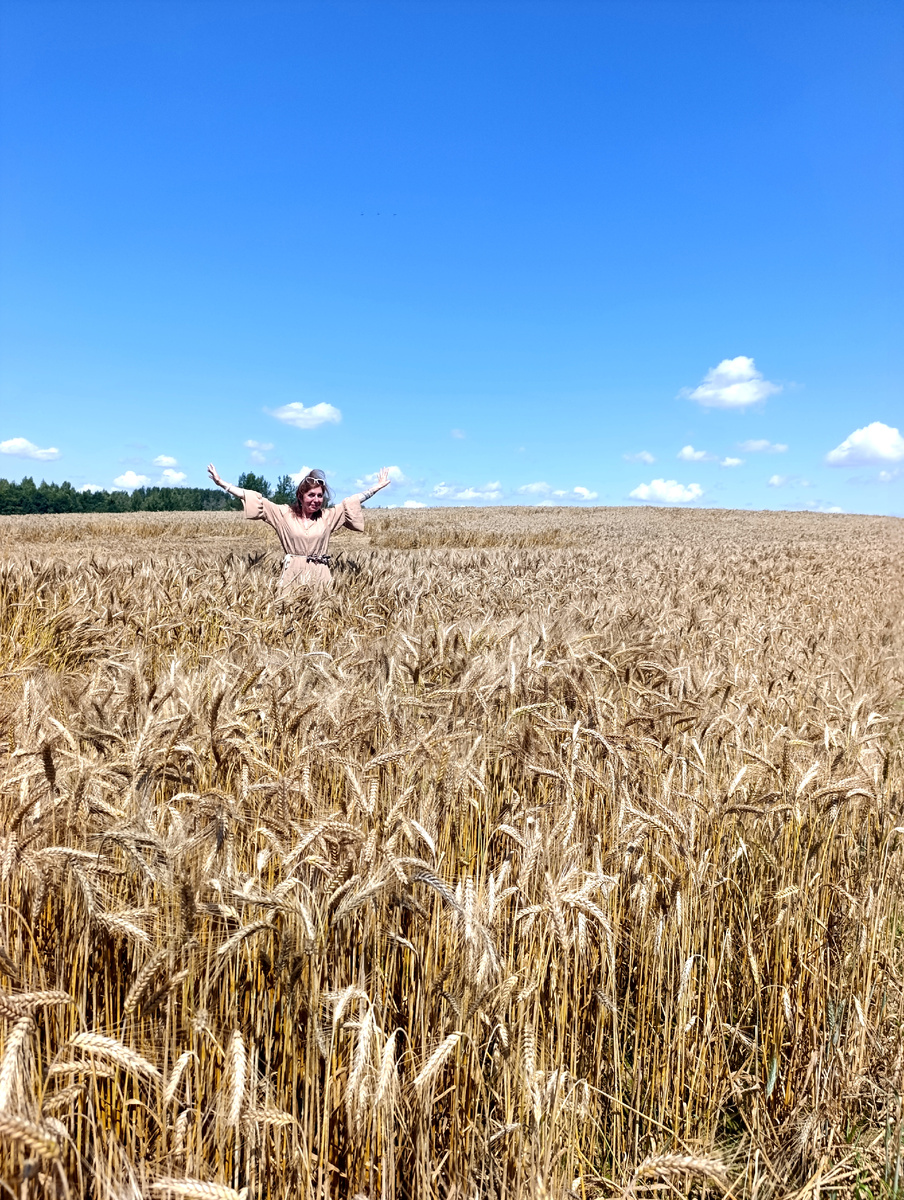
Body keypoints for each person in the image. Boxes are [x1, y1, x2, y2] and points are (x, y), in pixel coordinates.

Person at [207, 463, 391, 587]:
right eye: (311, 495)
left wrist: (376, 487)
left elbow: (351, 502)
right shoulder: (283, 514)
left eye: (320, 496)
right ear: (300, 497)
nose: (316, 500)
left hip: (321, 574)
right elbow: (255, 498)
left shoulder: (328, 516)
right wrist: (222, 483)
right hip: (292, 574)